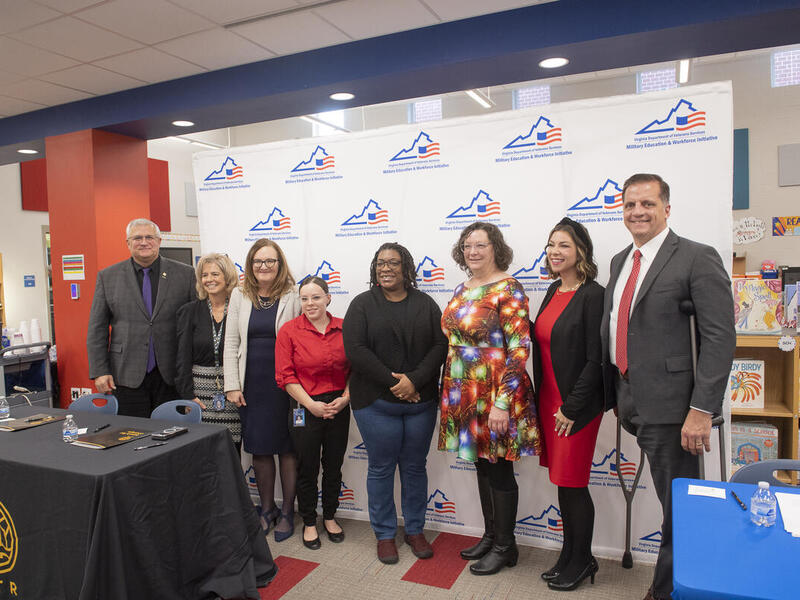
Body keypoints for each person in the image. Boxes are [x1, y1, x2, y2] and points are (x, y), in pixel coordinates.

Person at [600, 174, 735, 600]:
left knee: (680, 510)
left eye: (647, 204)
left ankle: (668, 592)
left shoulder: (697, 257)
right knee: (673, 504)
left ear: (667, 209)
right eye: (629, 205)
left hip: (677, 410)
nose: (637, 212)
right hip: (633, 400)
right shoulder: (621, 260)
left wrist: (701, 409)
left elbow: (719, 338)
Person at [438, 221, 541, 576]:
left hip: (496, 390)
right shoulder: (461, 288)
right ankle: (490, 535)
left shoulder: (509, 287)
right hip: (464, 389)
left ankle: (505, 546)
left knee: (499, 469)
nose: (473, 251)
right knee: (481, 465)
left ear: (495, 248)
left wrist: (502, 402)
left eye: (480, 245)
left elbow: (519, 348)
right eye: (467, 246)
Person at [343, 242, 447, 565]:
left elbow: (440, 346)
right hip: (375, 403)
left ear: (406, 269)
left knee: (415, 467)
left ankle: (415, 530)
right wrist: (396, 383)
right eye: (380, 263)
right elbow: (356, 351)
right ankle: (385, 535)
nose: (385, 268)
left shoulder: (426, 304)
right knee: (381, 468)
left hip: (420, 402)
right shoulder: (362, 304)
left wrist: (413, 381)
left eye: (393, 263)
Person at [531, 218, 604, 591]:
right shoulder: (552, 290)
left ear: (581, 252)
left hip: (575, 409)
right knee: (563, 483)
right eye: (551, 244)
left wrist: (572, 409)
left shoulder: (593, 294)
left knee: (574, 484)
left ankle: (583, 559)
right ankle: (569, 554)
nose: (555, 252)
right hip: (548, 403)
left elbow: (597, 359)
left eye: (564, 245)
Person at [224, 238, 301, 542]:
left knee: (288, 448)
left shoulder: (293, 295)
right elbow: (231, 343)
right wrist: (232, 385)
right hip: (251, 383)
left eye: (270, 261)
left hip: (286, 384)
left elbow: (302, 340)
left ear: (280, 265)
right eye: (258, 261)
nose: (264, 267)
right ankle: (266, 509)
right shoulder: (239, 295)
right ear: (250, 266)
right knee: (259, 447)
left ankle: (288, 512)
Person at [87, 218, 196, 417]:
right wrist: (100, 370)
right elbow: (97, 328)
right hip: (126, 375)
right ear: (128, 243)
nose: (144, 242)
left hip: (171, 375)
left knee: (173, 435)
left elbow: (195, 326)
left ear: (159, 241)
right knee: (132, 434)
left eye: (149, 237)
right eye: (137, 238)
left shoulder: (186, 275)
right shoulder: (108, 277)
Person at [275, 276, 351, 550]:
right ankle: (309, 521)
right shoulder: (289, 331)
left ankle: (330, 517)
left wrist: (344, 399)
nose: (309, 303)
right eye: (304, 298)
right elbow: (285, 375)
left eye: (316, 297)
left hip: (339, 405)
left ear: (328, 298)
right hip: (304, 406)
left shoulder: (345, 328)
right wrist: (311, 405)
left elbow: (356, 369)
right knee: (307, 467)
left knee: (333, 465)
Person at [176, 253, 241, 451]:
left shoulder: (242, 308)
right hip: (199, 394)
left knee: (231, 450)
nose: (209, 279)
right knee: (201, 451)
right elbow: (182, 357)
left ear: (227, 277)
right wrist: (187, 395)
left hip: (234, 391)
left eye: (215, 274)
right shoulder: (189, 311)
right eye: (204, 275)